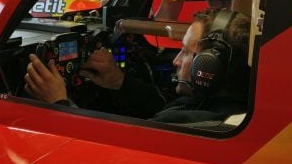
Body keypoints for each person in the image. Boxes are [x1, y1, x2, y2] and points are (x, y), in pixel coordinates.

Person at [24, 8, 250, 123]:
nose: (176, 60)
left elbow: (102, 155)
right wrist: (119, 82)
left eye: (187, 52)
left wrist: (59, 105)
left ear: (210, 67)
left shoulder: (190, 125)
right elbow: (164, 107)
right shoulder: (224, 104)